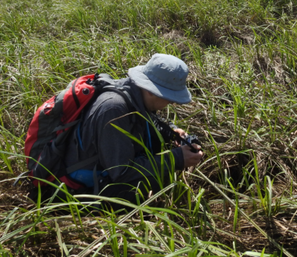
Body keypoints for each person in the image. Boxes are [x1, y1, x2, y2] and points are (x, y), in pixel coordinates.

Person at [63, 53, 203, 204]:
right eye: (169, 98)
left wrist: (172, 132)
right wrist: (176, 158)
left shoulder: (135, 94)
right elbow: (122, 173)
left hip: (105, 170)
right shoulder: (114, 110)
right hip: (81, 190)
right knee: (157, 179)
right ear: (151, 90)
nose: (171, 103)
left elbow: (151, 121)